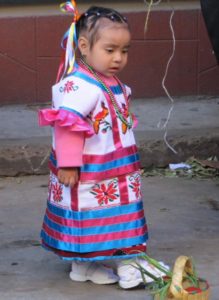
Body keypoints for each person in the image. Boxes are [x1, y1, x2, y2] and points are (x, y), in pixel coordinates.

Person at [39, 2, 152, 289]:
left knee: (100, 215)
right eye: (110, 49)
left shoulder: (108, 81)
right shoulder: (80, 85)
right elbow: (66, 125)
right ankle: (131, 266)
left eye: (124, 51)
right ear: (85, 46)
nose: (118, 58)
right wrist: (67, 163)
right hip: (92, 170)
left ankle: (85, 265)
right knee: (101, 215)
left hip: (114, 166)